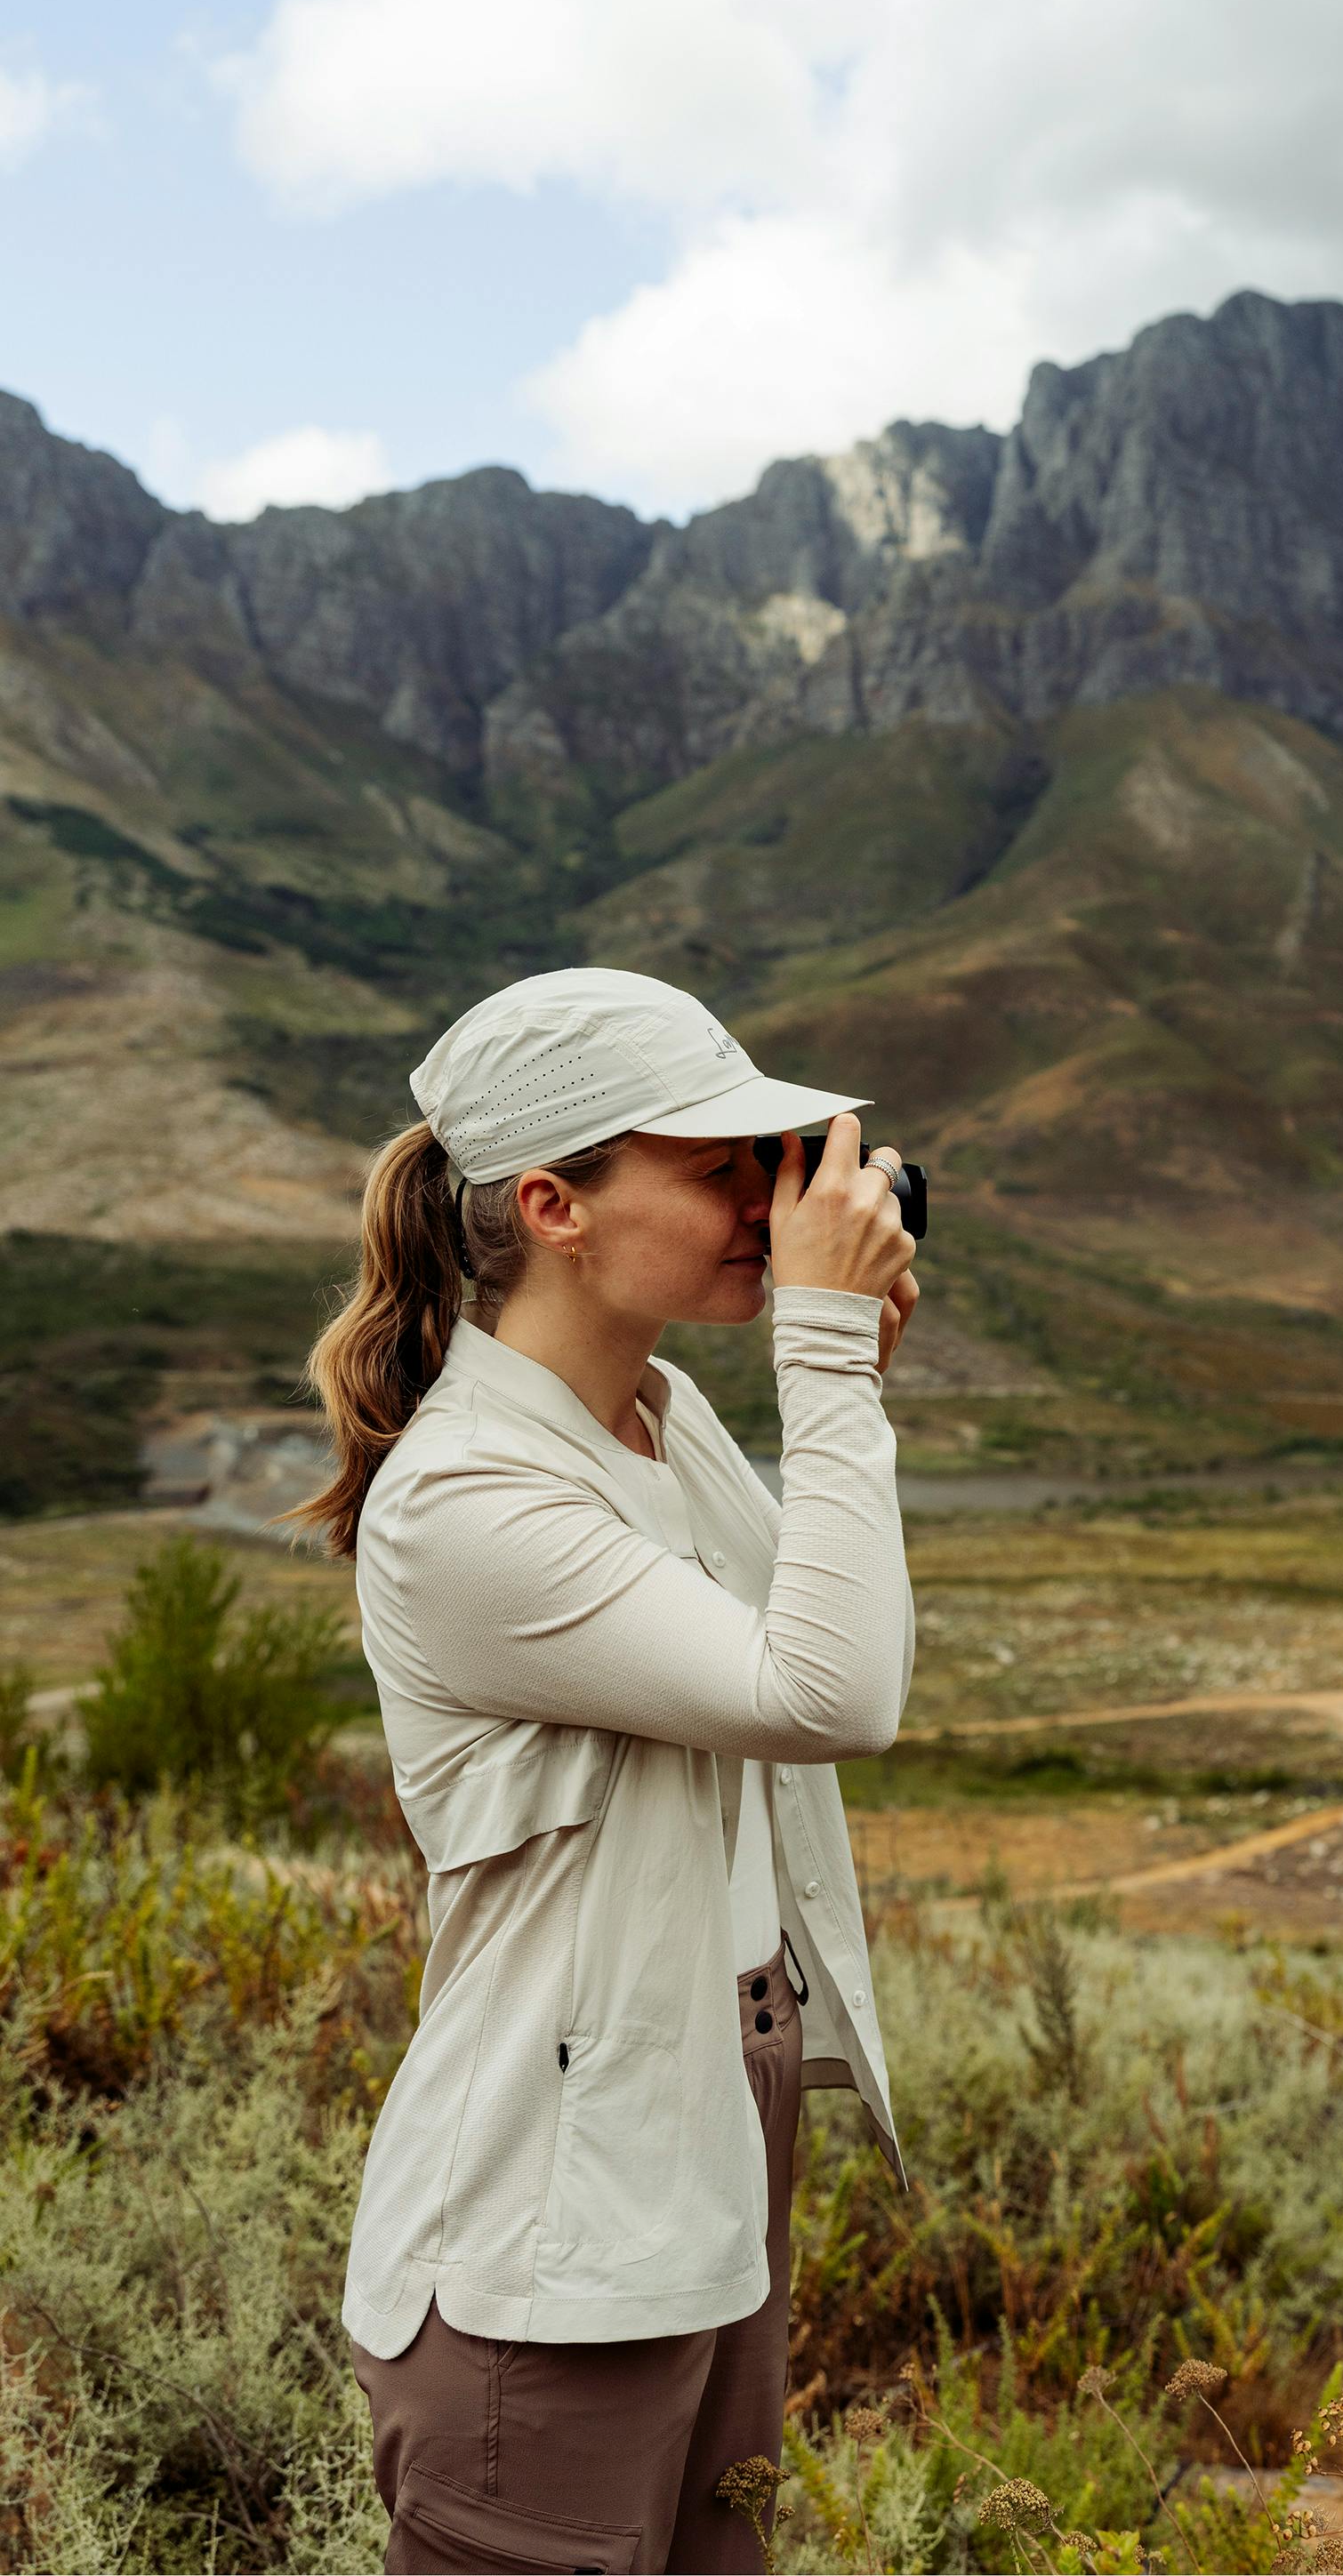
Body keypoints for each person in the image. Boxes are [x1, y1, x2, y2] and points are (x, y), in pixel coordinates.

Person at [297, 966, 920, 2575]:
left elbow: (814, 1629)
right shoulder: (467, 1503)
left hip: (702, 2133)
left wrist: (846, 1369)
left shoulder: (661, 1414)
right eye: (718, 1168)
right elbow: (830, 1692)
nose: (763, 1206)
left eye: (770, 1167)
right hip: (548, 2227)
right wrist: (830, 1355)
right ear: (554, 1204)